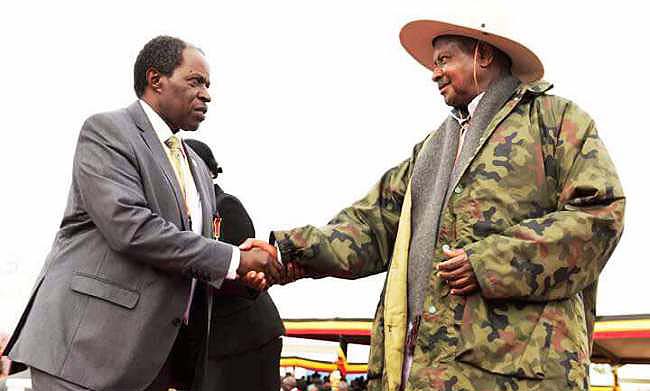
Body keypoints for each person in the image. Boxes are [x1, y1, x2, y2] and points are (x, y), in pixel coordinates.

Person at [258, 16, 625, 391]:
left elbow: (600, 214)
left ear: (482, 55)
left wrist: (488, 263)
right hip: (422, 371)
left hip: (518, 375)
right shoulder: (431, 150)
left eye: (444, 60)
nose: (435, 73)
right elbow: (373, 223)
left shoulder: (555, 120)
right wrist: (285, 251)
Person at [2, 36, 280, 391]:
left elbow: (190, 253)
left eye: (208, 85)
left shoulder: (195, 164)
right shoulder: (107, 132)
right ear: (156, 80)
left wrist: (237, 274)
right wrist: (233, 258)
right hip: (86, 352)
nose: (207, 94)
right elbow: (131, 228)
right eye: (195, 82)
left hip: (151, 361)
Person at [184, 138, 285, 391]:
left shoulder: (224, 206)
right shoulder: (180, 213)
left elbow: (247, 267)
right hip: (212, 341)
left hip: (245, 336)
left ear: (208, 172)